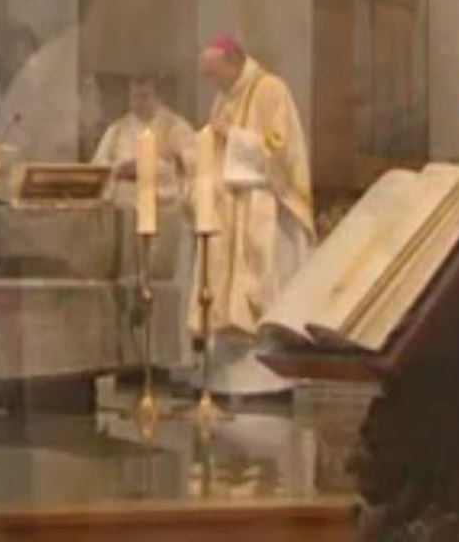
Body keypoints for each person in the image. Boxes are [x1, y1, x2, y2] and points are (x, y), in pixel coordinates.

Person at [191, 34, 315, 399]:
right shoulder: (225, 97)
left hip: (265, 212)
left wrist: (233, 138)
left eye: (216, 74)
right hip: (230, 210)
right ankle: (229, 381)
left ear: (233, 60)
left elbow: (282, 150)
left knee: (262, 293)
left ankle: (269, 381)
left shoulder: (271, 89)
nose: (214, 83)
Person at [91, 76, 195, 207]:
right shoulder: (116, 130)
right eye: (134, 97)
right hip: (125, 204)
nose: (138, 102)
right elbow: (98, 167)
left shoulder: (177, 128)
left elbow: (192, 167)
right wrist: (119, 168)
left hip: (165, 203)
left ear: (158, 98)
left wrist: (155, 166)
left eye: (144, 96)